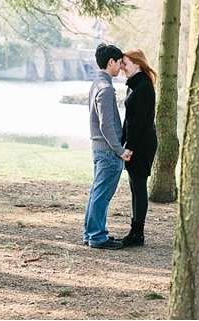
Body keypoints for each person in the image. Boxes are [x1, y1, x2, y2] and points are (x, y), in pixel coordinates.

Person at [83, 43, 132, 250]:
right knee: (102, 195)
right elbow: (106, 124)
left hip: (99, 149)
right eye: (120, 62)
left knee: (97, 192)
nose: (121, 67)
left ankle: (91, 233)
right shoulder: (105, 89)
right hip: (107, 151)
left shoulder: (97, 83)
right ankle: (97, 236)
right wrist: (119, 150)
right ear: (110, 62)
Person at [118, 49, 158, 247]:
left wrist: (130, 147)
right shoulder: (133, 85)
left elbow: (140, 121)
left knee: (139, 187)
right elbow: (129, 120)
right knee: (134, 187)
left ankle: (138, 234)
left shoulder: (144, 87)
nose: (122, 67)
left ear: (137, 64)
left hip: (143, 143)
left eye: (125, 63)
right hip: (135, 142)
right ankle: (134, 231)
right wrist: (121, 141)